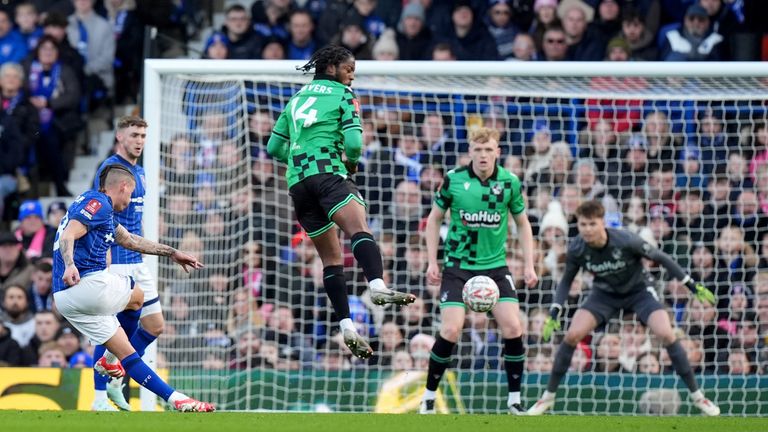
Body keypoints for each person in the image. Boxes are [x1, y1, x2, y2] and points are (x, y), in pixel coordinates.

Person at [266, 45, 415, 359]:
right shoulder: (343, 95)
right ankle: (377, 286)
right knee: (359, 228)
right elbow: (354, 142)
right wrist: (351, 162)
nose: (352, 75)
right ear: (332, 67)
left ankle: (347, 324)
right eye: (350, 69)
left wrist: (297, 161)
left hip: (298, 184)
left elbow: (274, 147)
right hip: (329, 174)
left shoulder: (296, 99)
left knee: (331, 260)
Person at [527, 200, 720, 416]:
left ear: (602, 223)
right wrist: (554, 311)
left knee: (666, 333)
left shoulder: (626, 240)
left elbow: (662, 258)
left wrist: (691, 285)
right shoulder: (577, 248)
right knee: (572, 335)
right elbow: (566, 281)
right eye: (583, 225)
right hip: (604, 294)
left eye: (592, 224)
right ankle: (547, 398)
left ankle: (698, 397)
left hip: (638, 291)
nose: (587, 230)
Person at [52, 163, 214, 412]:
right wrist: (70, 265)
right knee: (138, 296)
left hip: (65, 299)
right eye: (131, 193)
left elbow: (129, 240)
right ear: (124, 186)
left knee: (127, 353)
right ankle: (109, 361)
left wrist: (172, 253)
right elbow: (68, 235)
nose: (131, 199)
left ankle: (177, 400)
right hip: (87, 283)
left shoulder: (100, 212)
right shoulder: (99, 203)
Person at [420, 127, 538, 415]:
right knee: (450, 329)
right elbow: (434, 220)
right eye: (478, 149)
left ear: (498, 152)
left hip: (495, 267)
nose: (483, 155)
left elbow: (523, 223)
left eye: (489, 150)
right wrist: (432, 261)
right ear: (469, 151)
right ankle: (428, 397)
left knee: (513, 327)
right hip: (458, 266)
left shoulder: (509, 183)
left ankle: (514, 400)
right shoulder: (453, 180)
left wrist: (530, 264)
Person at [89, 116, 163, 411]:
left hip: (138, 259)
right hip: (117, 258)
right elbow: (101, 212)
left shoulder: (141, 172)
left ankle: (114, 377)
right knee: (109, 328)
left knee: (155, 326)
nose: (139, 140)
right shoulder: (109, 169)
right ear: (120, 136)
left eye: (143, 135)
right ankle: (97, 397)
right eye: (134, 135)